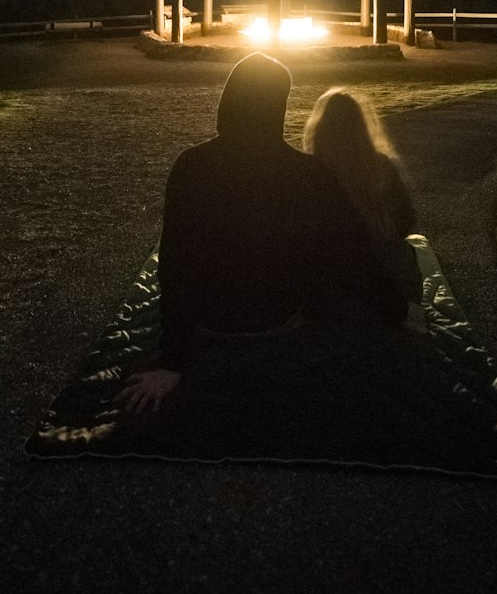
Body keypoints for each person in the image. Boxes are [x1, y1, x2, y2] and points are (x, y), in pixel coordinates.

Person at [115, 53, 409, 415]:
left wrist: (172, 362)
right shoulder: (308, 173)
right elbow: (348, 252)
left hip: (209, 319)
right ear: (278, 107)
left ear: (229, 100)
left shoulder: (191, 166)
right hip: (277, 316)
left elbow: (176, 263)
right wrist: (394, 307)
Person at [302, 89, 423, 307]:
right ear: (362, 128)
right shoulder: (381, 167)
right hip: (389, 285)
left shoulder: (310, 172)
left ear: (319, 129)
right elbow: (406, 221)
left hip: (331, 290)